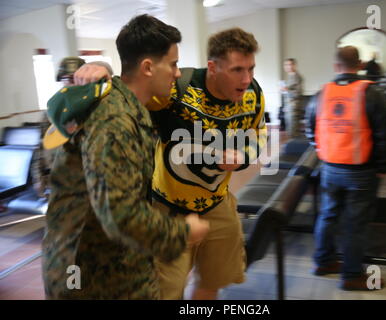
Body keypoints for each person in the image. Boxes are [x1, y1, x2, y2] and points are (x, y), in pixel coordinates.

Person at [68, 27, 267, 300]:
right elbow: (130, 89)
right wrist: (100, 71)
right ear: (213, 67)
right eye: (237, 70)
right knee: (166, 290)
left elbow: (259, 132)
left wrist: (244, 154)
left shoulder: (253, 93)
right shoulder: (176, 88)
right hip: (168, 208)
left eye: (251, 69)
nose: (246, 79)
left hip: (219, 202)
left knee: (213, 280)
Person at [41, 14, 209, 300]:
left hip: (113, 261)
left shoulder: (127, 105)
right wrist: (181, 232)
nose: (177, 73)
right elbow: (119, 215)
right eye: (173, 64)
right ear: (147, 67)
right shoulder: (115, 119)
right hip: (87, 273)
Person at [305, 46, 386, 290]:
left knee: (328, 214)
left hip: (330, 169)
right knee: (355, 223)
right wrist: (383, 165)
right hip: (361, 172)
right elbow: (385, 134)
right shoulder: (372, 93)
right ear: (360, 65)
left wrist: (323, 154)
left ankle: (323, 262)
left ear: (336, 67)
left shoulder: (321, 94)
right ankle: (352, 275)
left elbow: (310, 130)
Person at [31, 57, 86, 199]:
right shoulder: (52, 110)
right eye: (67, 78)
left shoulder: (92, 107)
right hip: (58, 181)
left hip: (84, 183)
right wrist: (38, 178)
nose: (70, 82)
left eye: (75, 78)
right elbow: (40, 147)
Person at [281, 58, 304, 138]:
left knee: (293, 132)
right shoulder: (289, 77)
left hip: (294, 108)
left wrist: (287, 90)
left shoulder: (297, 77)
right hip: (288, 107)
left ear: (294, 66)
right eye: (286, 65)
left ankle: (295, 149)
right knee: (289, 131)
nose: (288, 67)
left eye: (290, 64)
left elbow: (298, 93)